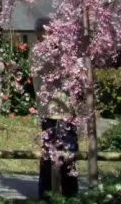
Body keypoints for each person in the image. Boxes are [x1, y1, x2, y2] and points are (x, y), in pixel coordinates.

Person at [32, 18, 79, 199]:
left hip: (66, 111)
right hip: (51, 111)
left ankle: (70, 193)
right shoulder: (38, 51)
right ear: (39, 33)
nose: (53, 35)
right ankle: (46, 193)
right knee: (49, 155)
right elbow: (54, 67)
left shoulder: (60, 51)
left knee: (69, 154)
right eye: (49, 32)